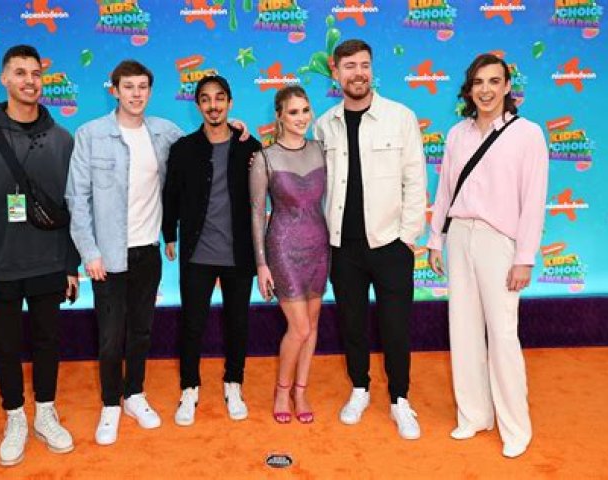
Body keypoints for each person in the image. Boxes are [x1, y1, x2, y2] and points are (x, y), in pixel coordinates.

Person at [0, 45, 78, 466]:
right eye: (20, 73)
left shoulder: (62, 139)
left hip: (50, 262)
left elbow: (75, 208)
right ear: (4, 80)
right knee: (5, 346)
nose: (29, 81)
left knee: (48, 342)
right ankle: (15, 417)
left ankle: (45, 412)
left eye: (36, 73)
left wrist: (71, 264)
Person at [427, 53, 548, 458]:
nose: (486, 90)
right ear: (469, 88)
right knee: (462, 330)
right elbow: (445, 191)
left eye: (494, 81)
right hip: (460, 235)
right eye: (479, 82)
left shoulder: (528, 134)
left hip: (500, 242)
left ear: (507, 86)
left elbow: (534, 200)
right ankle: (474, 415)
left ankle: (516, 428)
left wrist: (524, 257)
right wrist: (435, 240)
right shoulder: (457, 134)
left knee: (502, 335)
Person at [65, 60, 183, 445]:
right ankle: (110, 404)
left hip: (148, 251)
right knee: (111, 336)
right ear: (114, 90)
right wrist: (90, 252)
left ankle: (134, 394)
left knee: (141, 331)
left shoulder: (164, 132)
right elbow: (77, 198)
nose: (136, 94)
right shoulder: (91, 134)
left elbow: (202, 147)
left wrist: (236, 130)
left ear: (150, 91)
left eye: (142, 87)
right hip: (107, 257)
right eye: (128, 87)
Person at [313, 39, 426, 439]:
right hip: (343, 247)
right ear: (335, 72)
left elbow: (415, 179)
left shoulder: (400, 117)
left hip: (391, 244)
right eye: (349, 66)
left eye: (364, 65)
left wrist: (407, 238)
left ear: (372, 69)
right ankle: (359, 388)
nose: (358, 73)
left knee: (396, 327)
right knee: (352, 324)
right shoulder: (324, 124)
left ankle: (399, 399)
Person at [162, 75, 262, 426]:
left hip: (239, 254)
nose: (213, 105)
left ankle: (234, 383)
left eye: (220, 98)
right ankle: (189, 387)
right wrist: (169, 235)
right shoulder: (183, 148)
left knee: (238, 323)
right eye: (205, 99)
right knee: (192, 325)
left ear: (230, 102)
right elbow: (170, 194)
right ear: (198, 105)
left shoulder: (250, 147)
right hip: (197, 254)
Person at [250, 85, 328, 424]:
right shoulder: (264, 158)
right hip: (282, 248)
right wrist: (261, 264)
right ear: (279, 116)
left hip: (319, 247)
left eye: (305, 110)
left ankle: (301, 390)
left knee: (312, 325)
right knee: (299, 328)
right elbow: (257, 214)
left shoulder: (322, 150)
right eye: (293, 112)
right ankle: (282, 391)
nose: (301, 118)